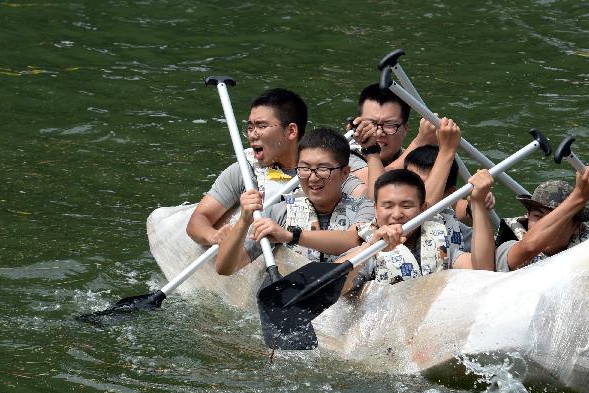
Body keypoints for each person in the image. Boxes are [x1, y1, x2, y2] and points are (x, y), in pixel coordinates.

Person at [187, 88, 362, 246]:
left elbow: (368, 198)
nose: (252, 135)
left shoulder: (328, 169)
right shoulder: (245, 171)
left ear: (291, 131)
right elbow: (198, 220)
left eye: (261, 126)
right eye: (249, 127)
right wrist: (215, 237)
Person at [215, 128, 374, 275]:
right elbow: (225, 268)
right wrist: (243, 221)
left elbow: (353, 241)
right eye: (304, 168)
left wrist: (290, 236)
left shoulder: (365, 206)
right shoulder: (279, 212)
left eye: (323, 169)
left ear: (345, 173)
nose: (312, 177)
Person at [339, 168, 495, 293]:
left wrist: (478, 204)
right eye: (387, 206)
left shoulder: (439, 240)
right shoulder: (364, 244)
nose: (397, 214)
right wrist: (370, 248)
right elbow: (332, 289)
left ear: (423, 209)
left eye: (407, 206)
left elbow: (483, 271)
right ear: (376, 209)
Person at [349, 83, 438, 194]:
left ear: (405, 128)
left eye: (389, 125)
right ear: (358, 122)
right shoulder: (343, 155)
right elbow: (378, 191)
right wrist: (420, 142)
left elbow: (451, 201)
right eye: (371, 123)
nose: (379, 132)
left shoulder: (411, 158)